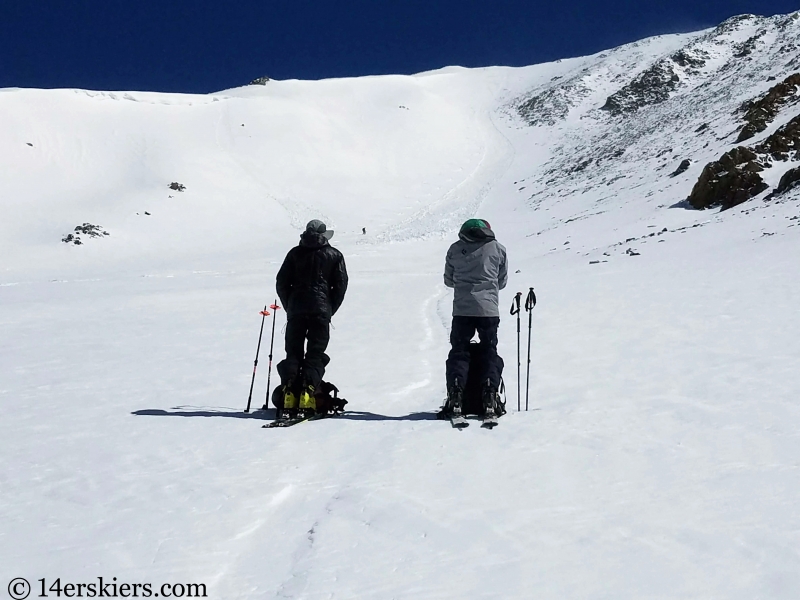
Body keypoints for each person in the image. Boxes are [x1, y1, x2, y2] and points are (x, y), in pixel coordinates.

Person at [275, 220, 348, 417]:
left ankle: (290, 392)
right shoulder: (334, 255)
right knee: (315, 353)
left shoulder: (294, 253)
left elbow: (281, 282)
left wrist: (289, 305)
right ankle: (307, 393)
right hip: (320, 311)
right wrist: (329, 309)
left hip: (296, 310)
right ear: (324, 236)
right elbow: (341, 286)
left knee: (293, 352)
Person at [443, 218, 507, 417]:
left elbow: (448, 280)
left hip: (462, 310)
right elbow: (502, 281)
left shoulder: (455, 249)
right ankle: (489, 392)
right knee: (489, 351)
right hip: (488, 310)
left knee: (459, 351)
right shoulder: (498, 248)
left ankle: (456, 392)